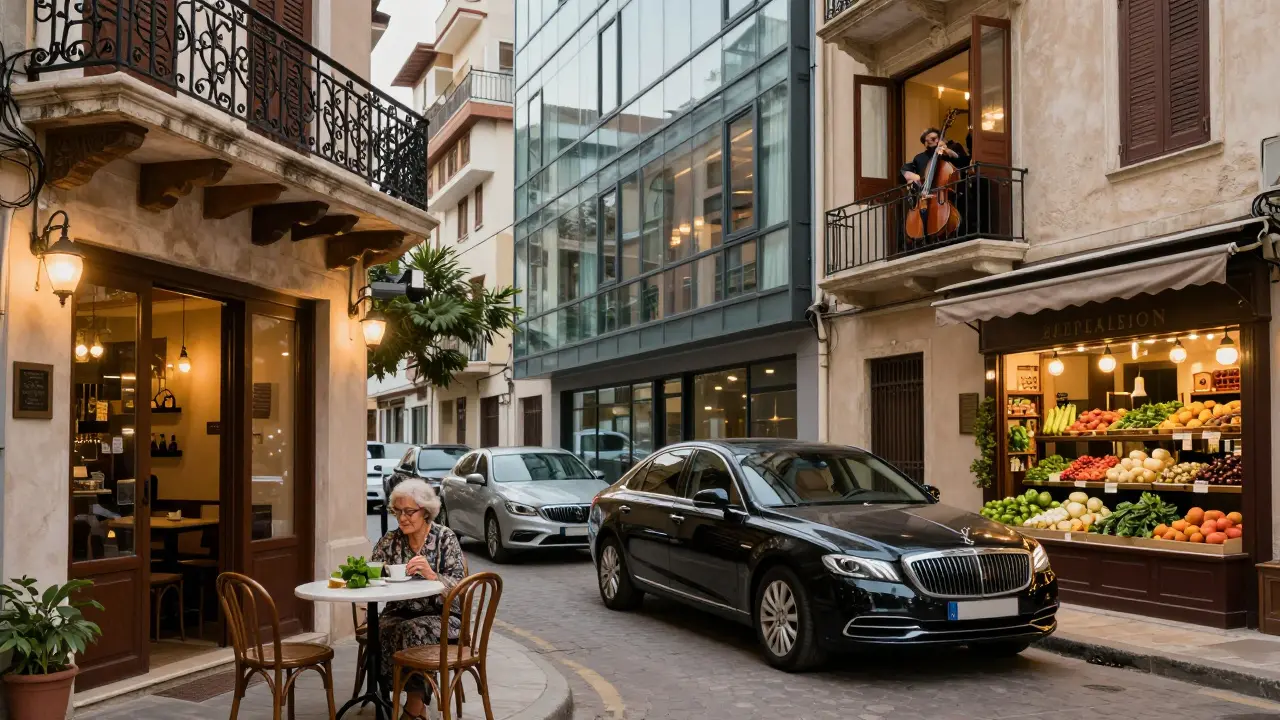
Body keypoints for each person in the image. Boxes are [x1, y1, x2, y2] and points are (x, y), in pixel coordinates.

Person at [371, 478, 467, 720]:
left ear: (425, 512)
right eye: (398, 511)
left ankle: (413, 707)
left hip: (443, 616)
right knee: (380, 631)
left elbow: (460, 586)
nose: (402, 518)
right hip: (399, 611)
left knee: (412, 631)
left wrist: (432, 575)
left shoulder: (445, 538)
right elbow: (372, 571)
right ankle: (389, 696)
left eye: (409, 512)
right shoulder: (391, 541)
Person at [900, 126, 969, 186]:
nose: (937, 141)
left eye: (938, 138)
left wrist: (949, 152)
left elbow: (964, 163)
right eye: (933, 139)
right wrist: (908, 174)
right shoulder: (919, 158)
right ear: (925, 143)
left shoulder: (947, 154)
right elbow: (904, 173)